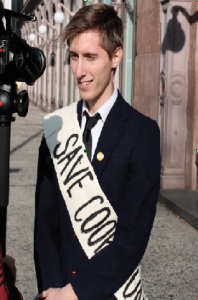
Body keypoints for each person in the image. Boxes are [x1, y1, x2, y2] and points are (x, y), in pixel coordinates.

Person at [34, 4, 161, 300]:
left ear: (116, 56)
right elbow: (44, 226)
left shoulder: (141, 134)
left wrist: (74, 293)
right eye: (74, 57)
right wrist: (53, 290)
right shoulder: (57, 128)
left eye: (90, 57)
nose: (80, 71)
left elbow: (131, 240)